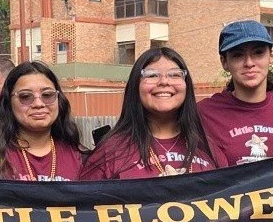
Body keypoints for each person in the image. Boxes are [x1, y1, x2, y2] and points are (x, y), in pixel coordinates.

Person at [84, 46, 220, 179]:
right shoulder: (109, 151)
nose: (164, 81)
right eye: (152, 75)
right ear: (135, 86)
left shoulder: (209, 147)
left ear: (186, 85)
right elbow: (85, 199)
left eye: (174, 74)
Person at [197, 19, 273, 164]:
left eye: (258, 53)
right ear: (224, 62)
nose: (249, 63)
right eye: (238, 55)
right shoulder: (205, 112)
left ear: (271, 57)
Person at [0, 61, 86, 180]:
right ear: (9, 103)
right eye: (25, 96)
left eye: (47, 95)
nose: (38, 104)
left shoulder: (79, 155)